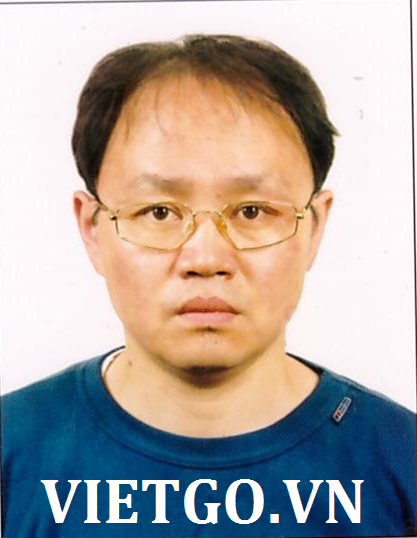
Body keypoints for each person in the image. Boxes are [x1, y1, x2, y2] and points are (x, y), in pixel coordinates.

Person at [2, 34, 415, 538]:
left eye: (252, 211)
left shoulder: (402, 461)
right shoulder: (12, 454)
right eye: (159, 212)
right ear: (92, 228)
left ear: (315, 227)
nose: (205, 259)